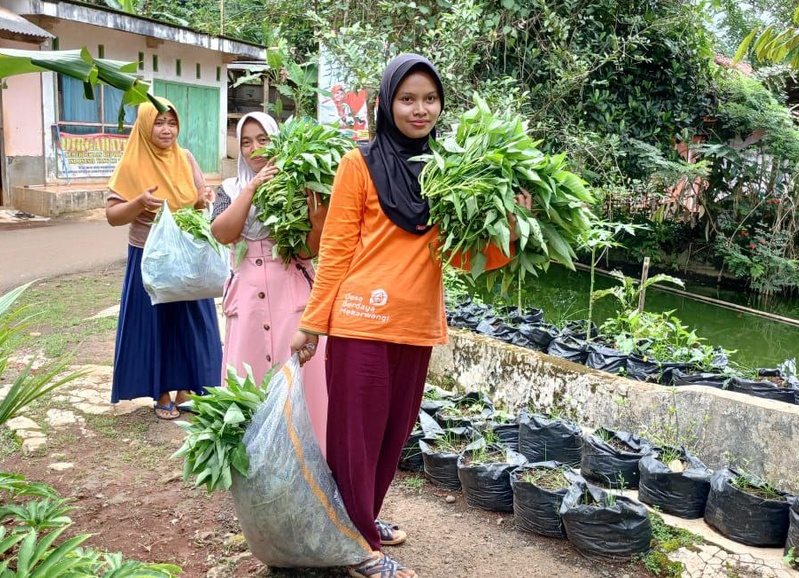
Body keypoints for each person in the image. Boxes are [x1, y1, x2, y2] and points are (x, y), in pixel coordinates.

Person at [290, 54, 531, 578]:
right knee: (356, 440)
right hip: (360, 321)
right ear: (386, 103)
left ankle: (361, 521)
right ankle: (357, 549)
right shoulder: (359, 163)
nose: (419, 109)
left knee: (391, 436)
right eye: (407, 99)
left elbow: (462, 257)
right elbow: (336, 249)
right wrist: (312, 322)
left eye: (429, 99)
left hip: (415, 325)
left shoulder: (449, 170)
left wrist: (511, 226)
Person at [211, 112, 329, 450]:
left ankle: (308, 460)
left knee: (300, 379)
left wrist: (317, 221)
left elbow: (307, 250)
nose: (255, 149)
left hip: (290, 295)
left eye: (263, 139)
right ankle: (255, 463)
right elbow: (222, 232)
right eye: (246, 142)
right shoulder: (229, 189)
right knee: (249, 379)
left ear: (277, 141)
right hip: (247, 299)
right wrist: (252, 187)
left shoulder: (298, 185)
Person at [105, 97, 222, 420]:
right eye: (158, 123)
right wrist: (139, 203)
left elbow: (199, 197)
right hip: (150, 254)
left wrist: (204, 199)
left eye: (172, 123)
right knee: (156, 325)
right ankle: (161, 391)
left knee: (189, 322)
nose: (166, 129)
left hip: (186, 253)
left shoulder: (185, 158)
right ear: (145, 126)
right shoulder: (132, 163)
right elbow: (112, 215)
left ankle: (187, 387)